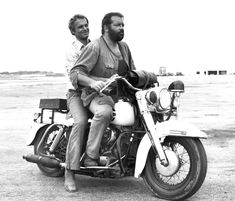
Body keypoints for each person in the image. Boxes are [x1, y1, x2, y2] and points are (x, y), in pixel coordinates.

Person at [69, 12, 135, 173]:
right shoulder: (95, 47)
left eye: (123, 25)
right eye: (117, 25)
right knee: (103, 113)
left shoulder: (124, 47)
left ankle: (120, 159)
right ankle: (90, 157)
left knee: (137, 116)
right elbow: (75, 73)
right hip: (93, 94)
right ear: (106, 27)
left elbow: (132, 72)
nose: (121, 28)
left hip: (118, 96)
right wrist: (94, 82)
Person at [64, 14, 90, 192]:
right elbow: (76, 78)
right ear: (73, 31)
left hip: (95, 92)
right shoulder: (71, 51)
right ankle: (69, 173)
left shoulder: (96, 45)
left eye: (86, 25)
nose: (85, 28)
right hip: (76, 94)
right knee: (80, 122)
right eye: (80, 27)